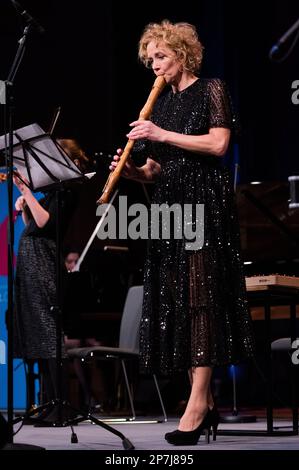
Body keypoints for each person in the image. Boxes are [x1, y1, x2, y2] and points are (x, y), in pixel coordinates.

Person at [110, 20, 255, 445]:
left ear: (183, 55)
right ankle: (203, 401)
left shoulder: (211, 88)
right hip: (168, 207)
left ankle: (196, 405)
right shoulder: (160, 104)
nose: (154, 65)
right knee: (177, 300)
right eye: (150, 58)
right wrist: (132, 169)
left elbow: (217, 145)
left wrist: (160, 134)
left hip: (205, 204)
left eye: (161, 56)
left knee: (202, 298)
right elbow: (156, 169)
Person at [13, 138, 89, 415]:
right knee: (37, 334)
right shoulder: (56, 191)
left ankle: (61, 404)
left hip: (43, 261)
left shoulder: (68, 190)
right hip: (33, 259)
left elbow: (47, 224)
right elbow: (34, 226)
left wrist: (25, 190)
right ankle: (47, 402)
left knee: (47, 331)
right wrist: (25, 206)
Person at [63, 250, 104, 411]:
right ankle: (88, 396)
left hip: (82, 332)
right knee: (76, 346)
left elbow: (90, 313)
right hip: (66, 334)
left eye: (77, 261)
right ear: (66, 264)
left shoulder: (87, 281)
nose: (74, 264)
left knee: (88, 345)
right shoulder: (63, 282)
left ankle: (97, 397)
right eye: (71, 261)